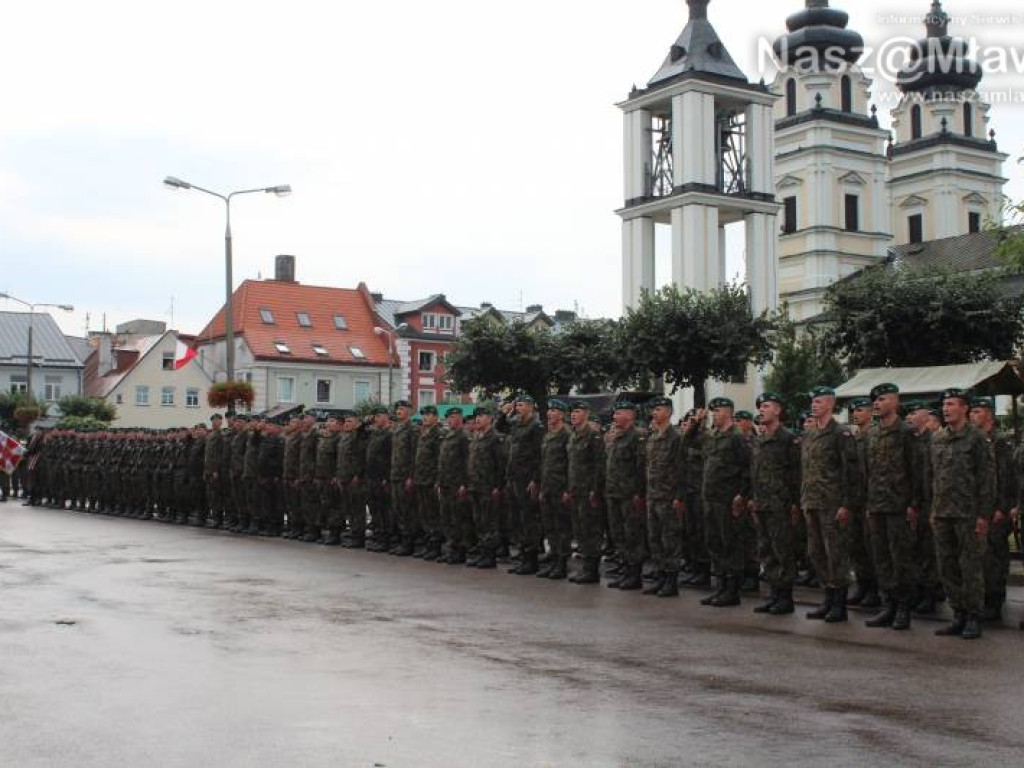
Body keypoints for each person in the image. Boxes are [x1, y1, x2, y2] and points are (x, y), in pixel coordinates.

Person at [931, 389, 995, 640]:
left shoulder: (977, 438)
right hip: (942, 512)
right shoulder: (937, 439)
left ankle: (973, 616)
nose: (946, 409)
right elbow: (934, 476)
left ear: (964, 408)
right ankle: (957, 613)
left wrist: (983, 515)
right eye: (944, 404)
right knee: (947, 566)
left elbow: (987, 480)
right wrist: (933, 510)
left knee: (970, 567)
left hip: (968, 514)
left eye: (951, 404)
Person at [862, 384, 920, 631]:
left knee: (901, 559)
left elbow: (917, 470)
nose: (877, 403)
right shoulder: (872, 434)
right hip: (877, 505)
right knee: (882, 558)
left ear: (895, 402)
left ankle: (903, 608)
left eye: (882, 399)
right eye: (875, 400)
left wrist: (914, 504)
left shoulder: (907, 432)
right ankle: (888, 605)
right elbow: (867, 471)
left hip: (899, 506)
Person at [801, 386, 860, 623]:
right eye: (813, 401)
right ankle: (827, 598)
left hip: (833, 504)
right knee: (816, 553)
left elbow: (851, 472)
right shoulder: (810, 434)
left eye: (818, 401)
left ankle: (839, 603)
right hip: (812, 501)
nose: (814, 405)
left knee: (836, 553)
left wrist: (846, 504)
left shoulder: (840, 434)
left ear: (830, 405)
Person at [685, 398, 751, 608]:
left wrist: (742, 494)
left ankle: (732, 590)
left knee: (729, 544)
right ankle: (720, 587)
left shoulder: (736, 438)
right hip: (711, 498)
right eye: (713, 411)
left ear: (729, 413)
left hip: (727, 499)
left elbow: (747, 468)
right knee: (714, 543)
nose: (714, 414)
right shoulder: (712, 436)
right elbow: (687, 441)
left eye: (718, 410)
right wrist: (696, 422)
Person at [749, 392, 801, 616]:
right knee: (766, 550)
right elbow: (756, 472)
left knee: (783, 551)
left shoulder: (788, 438)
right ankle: (773, 593)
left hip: (781, 504)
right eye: (760, 407)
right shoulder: (759, 440)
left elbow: (796, 472)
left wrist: (795, 503)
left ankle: (785, 597)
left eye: (766, 406)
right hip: (762, 503)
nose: (761, 410)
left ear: (777, 411)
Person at [968, 396, 1016, 623]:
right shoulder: (975, 440)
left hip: (996, 509)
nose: (972, 415)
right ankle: (982, 598)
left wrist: (1002, 507)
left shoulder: (1000, 441)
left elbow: (1006, 478)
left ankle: (994, 601)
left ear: (989, 414)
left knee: (994, 557)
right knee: (979, 557)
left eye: (977, 411)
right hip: (978, 507)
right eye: (972, 411)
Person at [643, 397, 687, 598]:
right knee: (655, 539)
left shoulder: (675, 437)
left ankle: (671, 580)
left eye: (658, 409)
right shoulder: (652, 437)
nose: (654, 412)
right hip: (653, 495)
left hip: (669, 497)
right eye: (653, 409)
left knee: (670, 540)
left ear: (669, 412)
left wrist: (679, 497)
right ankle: (660, 576)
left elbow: (680, 469)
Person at [604, 402, 647, 591]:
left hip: (629, 495)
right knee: (619, 534)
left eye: (618, 413)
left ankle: (634, 574)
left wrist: (639, 492)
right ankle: (625, 570)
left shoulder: (637, 437)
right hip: (614, 493)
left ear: (630, 416)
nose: (614, 417)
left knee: (632, 535)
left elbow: (640, 467)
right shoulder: (617, 437)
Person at [565, 401, 606, 585]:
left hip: (588, 491)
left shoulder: (593, 436)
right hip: (575, 490)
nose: (573, 414)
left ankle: (592, 570)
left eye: (577, 411)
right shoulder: (573, 436)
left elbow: (599, 466)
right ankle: (585, 568)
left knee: (591, 531)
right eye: (572, 411)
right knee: (580, 531)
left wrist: (594, 490)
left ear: (587, 414)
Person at [505, 394, 544, 575]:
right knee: (517, 519)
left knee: (529, 519)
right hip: (514, 477)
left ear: (530, 407)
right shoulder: (516, 424)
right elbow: (500, 427)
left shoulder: (536, 427)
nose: (518, 408)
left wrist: (535, 479)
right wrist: (505, 412)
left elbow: (539, 456)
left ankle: (532, 558)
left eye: (521, 405)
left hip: (527, 479)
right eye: (517, 405)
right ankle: (523, 556)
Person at [464, 406, 507, 569]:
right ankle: (483, 552)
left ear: (490, 418)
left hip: (488, 487)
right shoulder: (476, 437)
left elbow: (501, 464)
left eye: (481, 416)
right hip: (475, 486)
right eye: (476, 416)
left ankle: (490, 555)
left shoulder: (495, 438)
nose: (477, 419)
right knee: (479, 521)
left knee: (489, 522)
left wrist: (498, 486)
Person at [847, 398, 880, 609]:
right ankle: (862, 585)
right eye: (853, 411)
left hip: (871, 499)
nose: (855, 414)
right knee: (856, 545)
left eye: (859, 410)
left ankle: (875, 590)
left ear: (870, 412)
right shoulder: (854, 438)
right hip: (855, 499)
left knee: (872, 548)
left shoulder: (875, 436)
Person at [537, 400, 571, 580]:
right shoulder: (548, 435)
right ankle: (554, 559)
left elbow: (570, 464)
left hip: (560, 487)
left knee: (562, 527)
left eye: (554, 410)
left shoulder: (567, 435)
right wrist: (542, 487)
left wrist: (567, 488)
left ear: (562, 414)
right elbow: (545, 464)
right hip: (548, 487)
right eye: (549, 410)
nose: (550, 413)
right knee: (550, 527)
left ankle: (562, 563)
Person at [437, 407, 471, 564]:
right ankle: (451, 548)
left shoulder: (463, 437)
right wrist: (439, 481)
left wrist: (464, 483)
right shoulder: (448, 436)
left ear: (460, 418)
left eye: (453, 417)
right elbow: (442, 462)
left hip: (457, 484)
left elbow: (467, 462)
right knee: (447, 517)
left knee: (458, 518)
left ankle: (460, 551)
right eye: (448, 418)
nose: (450, 420)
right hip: (445, 483)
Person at [389, 400, 419, 556]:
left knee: (407, 510)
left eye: (401, 409)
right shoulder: (397, 430)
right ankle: (402, 540)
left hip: (405, 476)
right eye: (397, 409)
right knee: (398, 509)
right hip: (395, 475)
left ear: (410, 411)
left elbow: (415, 455)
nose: (398, 411)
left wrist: (411, 476)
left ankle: (409, 542)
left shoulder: (412, 430)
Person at [413, 405, 443, 559]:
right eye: (423, 415)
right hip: (420, 479)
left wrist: (437, 480)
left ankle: (436, 545)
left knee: (433, 514)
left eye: (429, 415)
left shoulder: (438, 434)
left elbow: (440, 460)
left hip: (431, 480)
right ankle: (428, 543)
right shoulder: (423, 433)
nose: (425, 418)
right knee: (424, 513)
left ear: (436, 417)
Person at [365, 406, 394, 552]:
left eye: (379, 416)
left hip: (382, 477)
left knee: (384, 509)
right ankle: (378, 536)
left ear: (385, 417)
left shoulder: (389, 435)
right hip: (371, 476)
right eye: (375, 417)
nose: (376, 419)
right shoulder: (374, 434)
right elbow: (360, 430)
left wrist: (386, 477)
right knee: (375, 508)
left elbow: (390, 458)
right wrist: (367, 420)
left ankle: (386, 540)